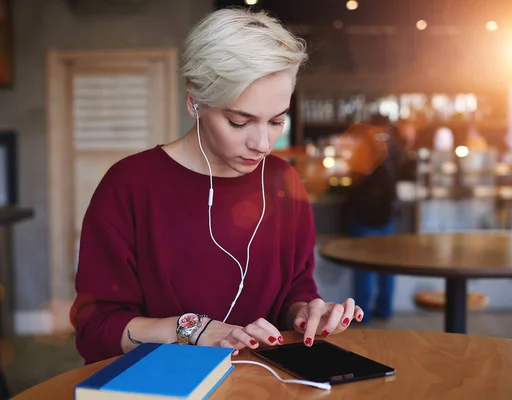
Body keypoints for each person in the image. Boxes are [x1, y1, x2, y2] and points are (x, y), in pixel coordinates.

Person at [70, 8, 362, 365]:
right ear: (195, 101)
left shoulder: (284, 181)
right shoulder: (129, 186)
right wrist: (192, 329)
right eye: (239, 121)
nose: (263, 144)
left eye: (276, 121)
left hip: (263, 385)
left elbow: (295, 290)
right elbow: (95, 330)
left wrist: (306, 313)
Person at [342, 116, 405, 323]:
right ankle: (384, 310)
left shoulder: (364, 150)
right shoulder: (395, 148)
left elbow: (354, 183)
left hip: (364, 217)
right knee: (386, 268)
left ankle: (363, 316)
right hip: (386, 215)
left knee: (364, 269)